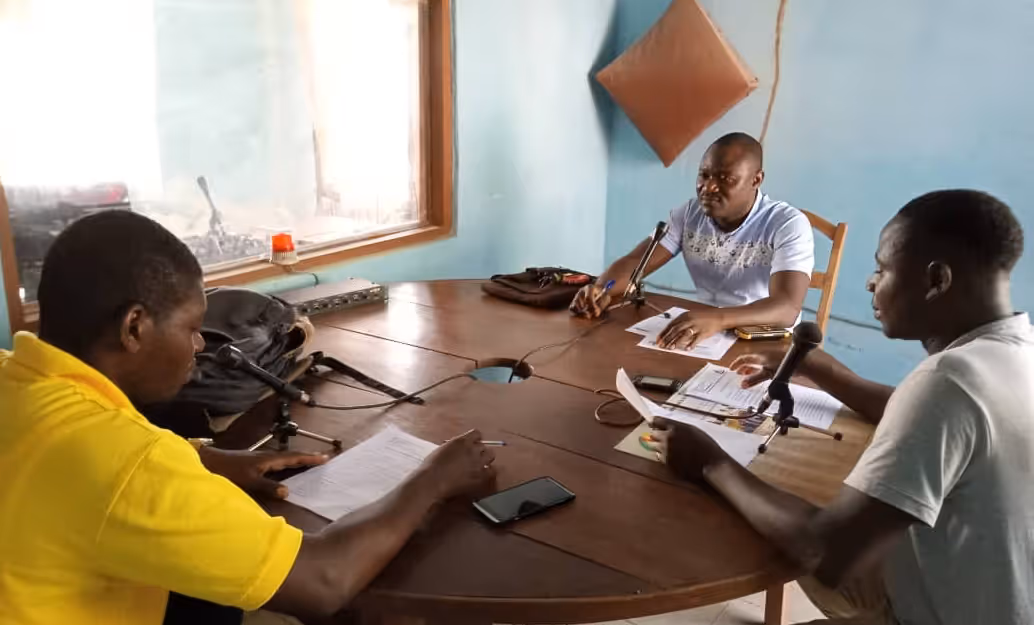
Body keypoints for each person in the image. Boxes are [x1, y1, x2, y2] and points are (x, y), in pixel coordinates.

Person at [0, 210, 496, 624]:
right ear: (134, 326)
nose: (200, 346)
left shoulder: (13, 374)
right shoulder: (125, 461)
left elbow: (69, 471)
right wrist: (433, 477)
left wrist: (205, 458)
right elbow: (324, 579)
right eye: (193, 328)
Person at [655, 190, 1032, 625]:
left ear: (937, 280)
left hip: (932, 613)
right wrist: (820, 368)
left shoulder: (947, 382)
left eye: (882, 268)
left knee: (777, 520)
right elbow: (915, 410)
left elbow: (826, 552)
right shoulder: (1015, 351)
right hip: (986, 593)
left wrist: (709, 463)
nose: (871, 283)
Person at [570, 132, 814, 350]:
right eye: (704, 175)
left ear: (756, 180)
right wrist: (602, 289)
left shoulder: (787, 224)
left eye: (725, 179)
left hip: (764, 341)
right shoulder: (688, 215)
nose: (708, 187)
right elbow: (637, 261)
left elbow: (786, 308)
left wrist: (719, 319)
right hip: (705, 333)